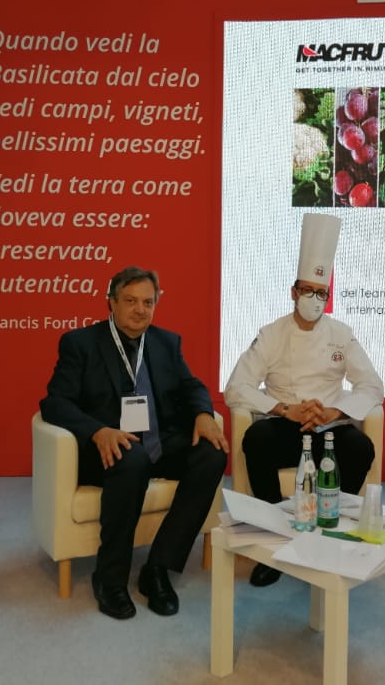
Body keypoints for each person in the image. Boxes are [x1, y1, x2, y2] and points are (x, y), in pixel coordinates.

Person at [39, 266, 228, 620]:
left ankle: (157, 568)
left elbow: (191, 386)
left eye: (148, 302)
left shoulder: (166, 342)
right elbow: (55, 402)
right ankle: (109, 579)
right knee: (133, 460)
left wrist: (204, 413)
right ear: (111, 302)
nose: (140, 310)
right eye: (130, 301)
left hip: (158, 443)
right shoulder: (80, 343)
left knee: (211, 454)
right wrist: (98, 430)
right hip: (110, 450)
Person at [225, 214, 383, 588]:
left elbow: (372, 386)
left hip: (329, 428)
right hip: (284, 426)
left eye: (321, 293)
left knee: (360, 448)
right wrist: (285, 409)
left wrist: (334, 411)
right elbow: (236, 388)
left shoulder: (341, 334)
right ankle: (275, 541)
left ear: (328, 296)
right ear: (293, 292)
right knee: (255, 440)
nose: (313, 299)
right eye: (307, 290)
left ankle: (328, 534)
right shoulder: (272, 334)